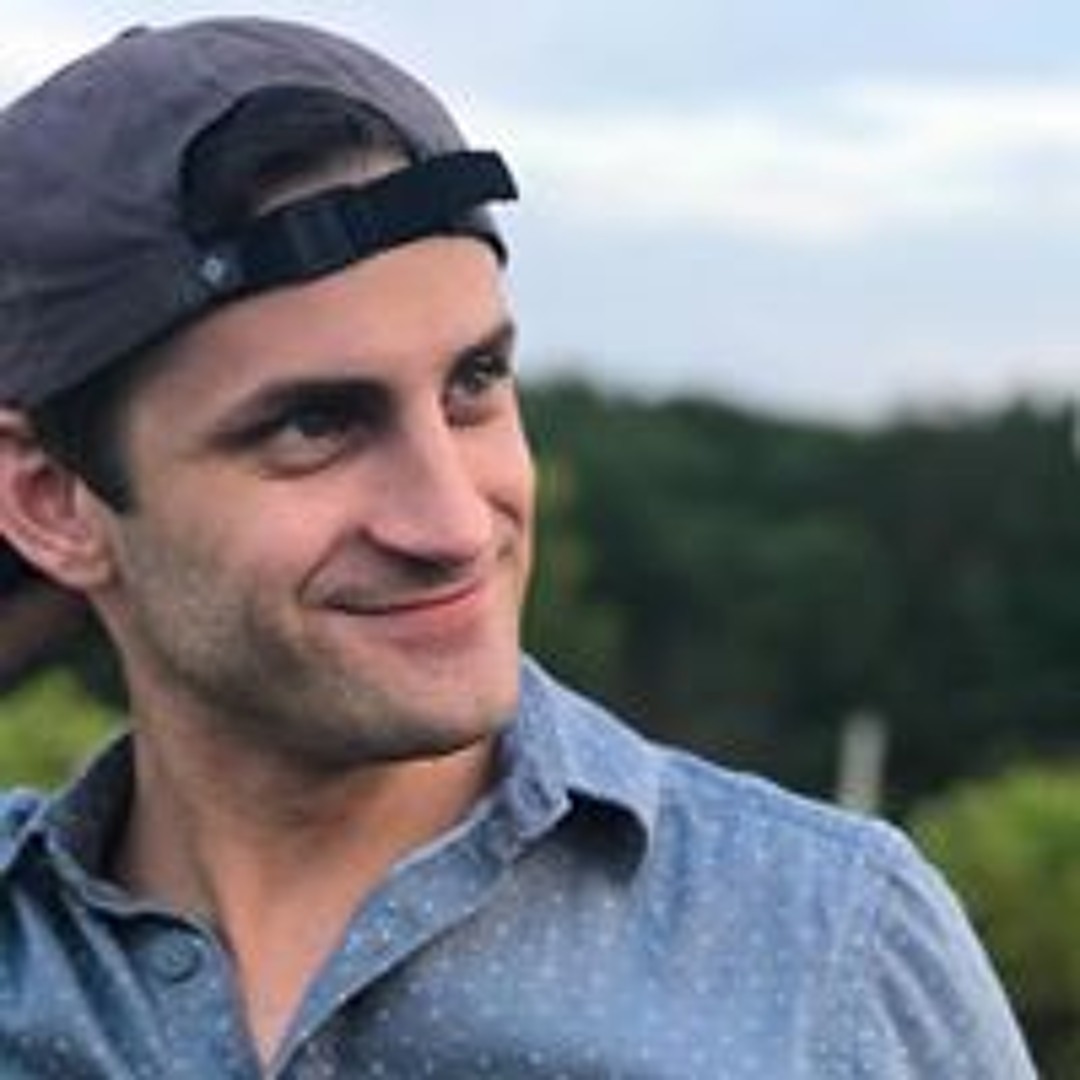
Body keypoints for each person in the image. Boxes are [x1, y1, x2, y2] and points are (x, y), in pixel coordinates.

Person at [0, 17, 1036, 1079]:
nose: (453, 525)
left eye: (474, 385)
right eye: (314, 425)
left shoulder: (827, 954)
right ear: (53, 502)